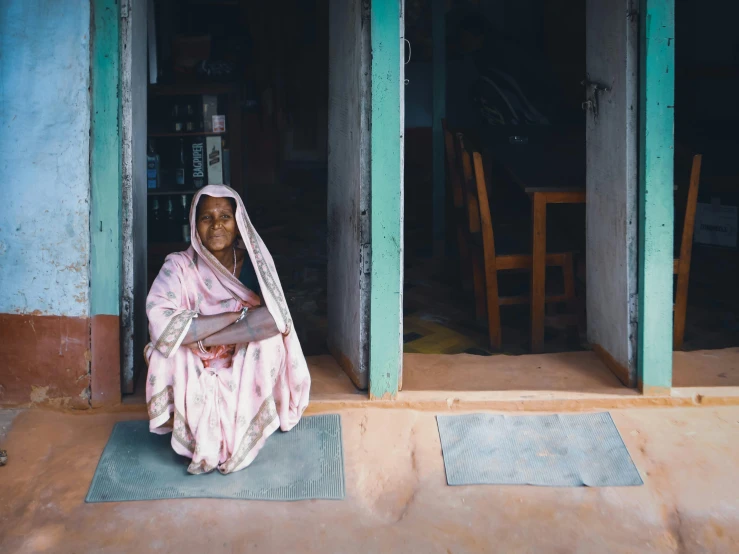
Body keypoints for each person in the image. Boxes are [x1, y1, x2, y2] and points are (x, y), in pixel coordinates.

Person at [144, 184, 311, 475]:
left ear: (238, 224)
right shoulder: (179, 266)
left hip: (239, 348)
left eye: (225, 216)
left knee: (270, 340)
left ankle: (239, 434)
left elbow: (275, 320)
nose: (216, 225)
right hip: (194, 353)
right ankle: (201, 439)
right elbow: (160, 322)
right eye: (207, 218)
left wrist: (209, 336)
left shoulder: (253, 265)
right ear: (195, 225)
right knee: (164, 351)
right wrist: (236, 318)